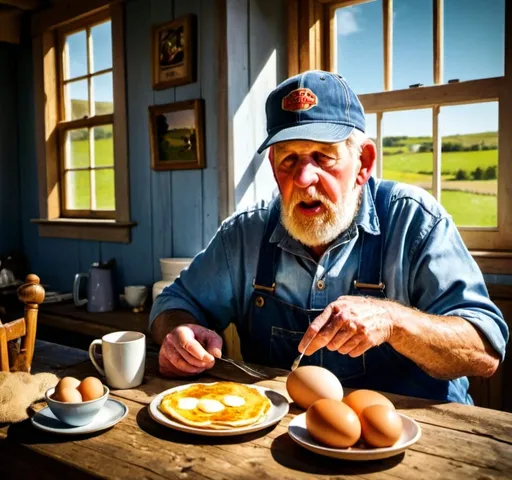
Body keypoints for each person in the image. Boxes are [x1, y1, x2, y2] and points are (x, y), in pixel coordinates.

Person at [150, 70, 508, 404]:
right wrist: (180, 333)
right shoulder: (245, 234)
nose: (304, 178)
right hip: (281, 444)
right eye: (289, 159)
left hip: (426, 444)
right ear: (274, 168)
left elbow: (484, 349)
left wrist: (393, 321)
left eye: (324, 157)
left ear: (363, 163)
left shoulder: (415, 222)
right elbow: (172, 304)